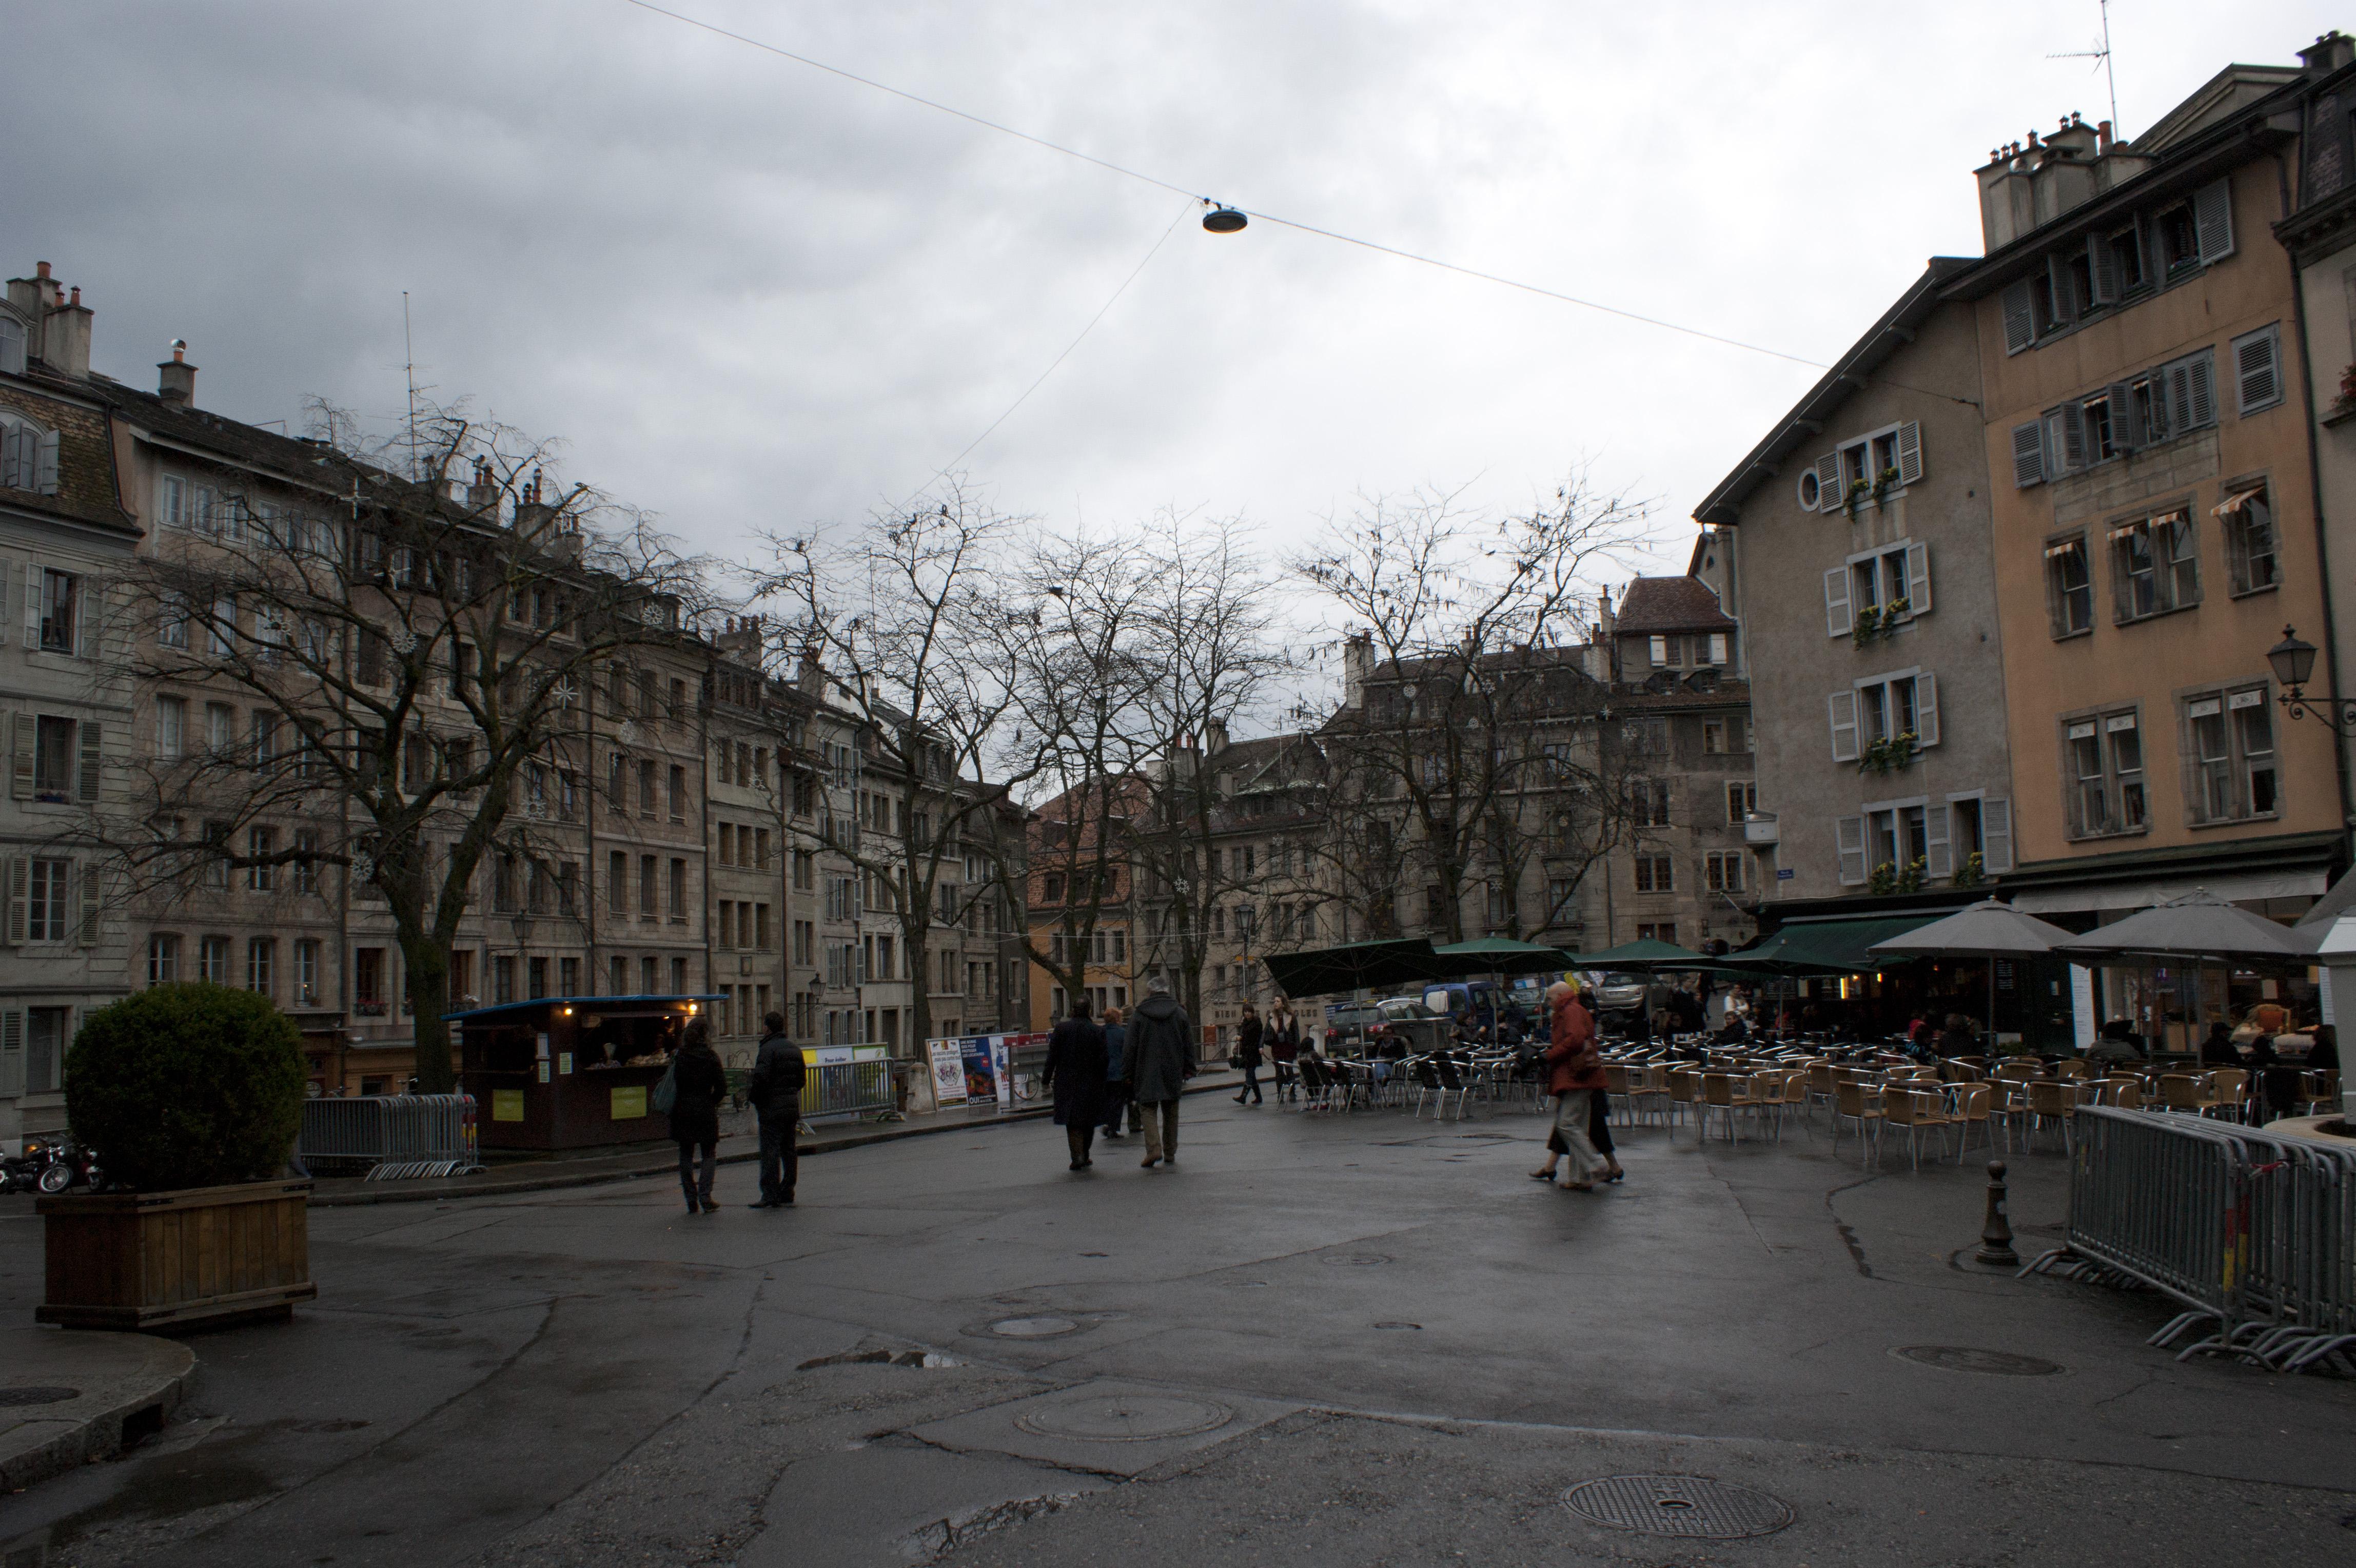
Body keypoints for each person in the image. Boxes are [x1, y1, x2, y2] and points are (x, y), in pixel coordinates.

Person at [1529, 981, 1607, 1191]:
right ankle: (1580, 1178)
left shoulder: (1569, 1011)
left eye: (1551, 998)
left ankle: (1596, 1164)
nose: (1549, 1003)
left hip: (1575, 1076)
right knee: (1578, 1126)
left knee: (1566, 1124)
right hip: (1583, 1074)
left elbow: (1574, 1039)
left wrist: (1549, 1055)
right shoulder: (1576, 1009)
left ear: (1561, 996)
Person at [1127, 975, 1196, 1168]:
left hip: (1145, 1070)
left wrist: (1127, 1073)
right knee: (1171, 1110)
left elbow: (1130, 1047)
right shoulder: (1180, 1014)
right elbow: (1189, 1045)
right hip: (1173, 1069)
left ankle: (1153, 1149)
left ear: (1150, 992)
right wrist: (1189, 1068)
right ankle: (1170, 1151)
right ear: (1167, 991)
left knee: (1147, 1109)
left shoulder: (1139, 1015)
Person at [666, 1018, 729, 1216]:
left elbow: (674, 1083)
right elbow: (722, 1087)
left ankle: (690, 1199)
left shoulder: (680, 1057)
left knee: (686, 1154)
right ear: (705, 1035)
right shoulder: (711, 1057)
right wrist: (711, 1101)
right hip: (705, 1109)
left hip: (683, 1110)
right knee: (709, 1154)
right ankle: (705, 1196)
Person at [745, 1011, 804, 1208]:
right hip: (790, 1106)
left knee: (770, 1151)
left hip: (771, 1107)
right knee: (789, 1150)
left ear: (767, 1028)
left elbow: (760, 1078)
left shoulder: (767, 1049)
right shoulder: (795, 1049)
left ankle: (770, 1193)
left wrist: (754, 1098)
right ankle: (787, 1189)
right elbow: (801, 1081)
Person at [1043, 997, 1110, 1171]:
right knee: (1089, 1120)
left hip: (1066, 1081)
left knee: (1072, 1121)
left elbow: (1052, 1057)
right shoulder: (1097, 1031)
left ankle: (1077, 1156)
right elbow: (1104, 1060)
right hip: (1091, 1081)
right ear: (1089, 1011)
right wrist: (1104, 1080)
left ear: (1073, 1010)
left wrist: (1045, 1079)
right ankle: (1085, 1153)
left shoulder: (1062, 1029)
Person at [1099, 1006, 1132, 1139]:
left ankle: (1108, 1123)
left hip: (1103, 1072)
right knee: (1118, 1101)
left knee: (1107, 1100)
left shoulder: (1099, 1033)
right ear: (1117, 1019)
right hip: (1118, 1072)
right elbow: (1127, 1054)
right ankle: (1113, 1128)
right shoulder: (1122, 1033)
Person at [1268, 997, 1302, 1103]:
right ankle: (1280, 1094)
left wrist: (1297, 1048)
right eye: (1275, 1002)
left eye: (1278, 1002)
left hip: (1288, 1047)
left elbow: (1296, 1033)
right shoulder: (1272, 1017)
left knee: (1289, 1069)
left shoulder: (1291, 1017)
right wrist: (1261, 1046)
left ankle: (1292, 1093)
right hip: (1277, 1047)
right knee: (1278, 1071)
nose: (1275, 1003)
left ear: (1283, 1004)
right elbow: (1266, 1031)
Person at [1232, 1002, 1265, 1105]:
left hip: (1254, 1052)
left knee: (1249, 1074)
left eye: (1249, 1012)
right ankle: (1259, 1097)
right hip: (1246, 1052)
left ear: (1252, 1012)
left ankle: (1243, 1097)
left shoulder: (1257, 1023)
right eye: (1245, 1012)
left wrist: (1242, 1038)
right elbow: (1243, 1034)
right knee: (1252, 1075)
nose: (1247, 1014)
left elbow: (1255, 1038)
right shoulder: (1245, 1023)